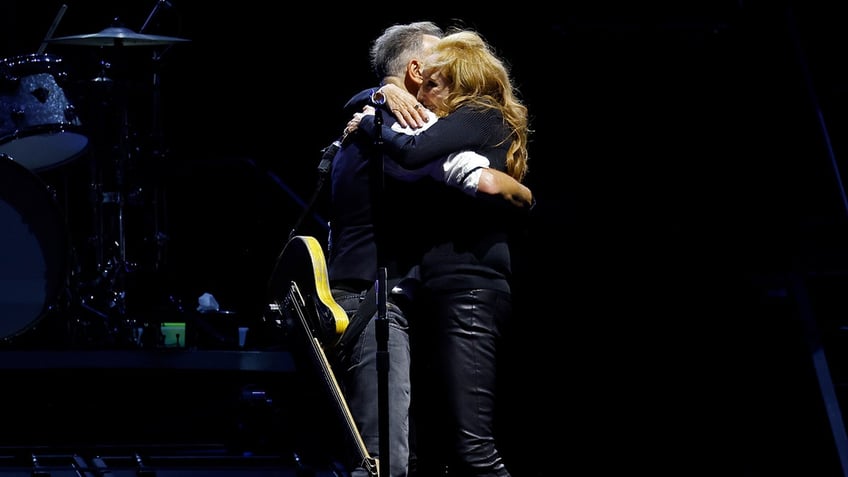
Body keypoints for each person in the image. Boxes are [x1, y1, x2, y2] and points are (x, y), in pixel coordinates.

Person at [326, 22, 533, 477]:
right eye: (436, 68)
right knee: (394, 453)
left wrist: (510, 188)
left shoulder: (452, 121)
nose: (443, 76)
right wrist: (378, 96)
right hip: (378, 294)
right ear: (416, 68)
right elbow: (429, 160)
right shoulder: (387, 115)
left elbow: (453, 168)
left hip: (448, 292)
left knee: (451, 447)